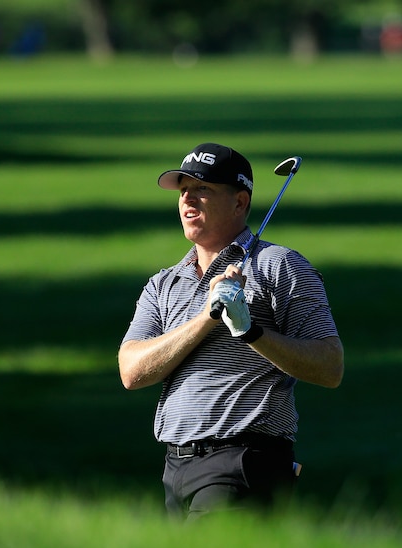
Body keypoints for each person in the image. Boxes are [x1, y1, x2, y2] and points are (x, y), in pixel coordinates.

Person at [118, 142, 344, 520]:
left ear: (240, 202)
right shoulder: (163, 283)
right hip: (175, 467)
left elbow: (329, 366)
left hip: (244, 461)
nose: (188, 200)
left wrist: (250, 331)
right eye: (183, 190)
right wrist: (208, 317)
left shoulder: (280, 266)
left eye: (203, 189)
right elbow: (132, 370)